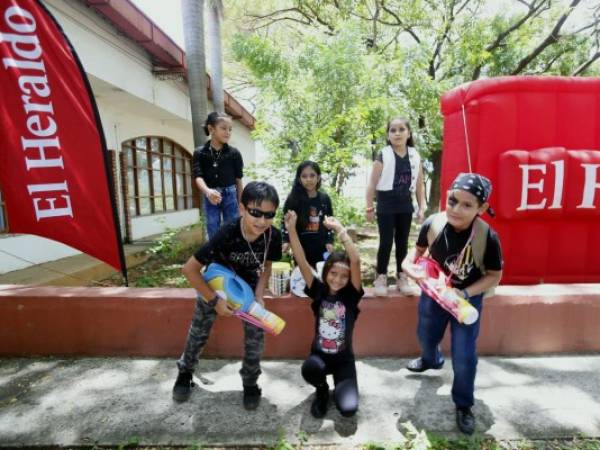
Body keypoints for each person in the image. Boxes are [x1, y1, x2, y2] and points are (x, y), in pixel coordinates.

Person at [401, 172, 503, 435]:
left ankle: (463, 404)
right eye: (453, 201)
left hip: (466, 300)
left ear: (481, 208)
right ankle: (430, 358)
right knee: (425, 334)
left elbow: (494, 275)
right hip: (435, 292)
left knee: (464, 356)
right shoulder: (433, 224)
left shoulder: (487, 237)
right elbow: (413, 257)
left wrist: (465, 294)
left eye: (467, 205)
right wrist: (410, 270)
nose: (456, 209)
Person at [172, 181, 282, 410]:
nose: (262, 221)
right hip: (217, 286)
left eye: (269, 215)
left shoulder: (274, 236)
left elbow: (267, 266)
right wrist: (214, 301)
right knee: (199, 331)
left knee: (256, 336)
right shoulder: (227, 232)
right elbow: (189, 270)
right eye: (255, 213)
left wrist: (260, 295)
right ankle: (185, 373)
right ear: (242, 209)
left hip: (247, 292)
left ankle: (251, 383)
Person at [284, 210, 363, 418]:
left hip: (344, 361)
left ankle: (340, 387)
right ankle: (321, 391)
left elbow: (355, 262)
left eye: (343, 276)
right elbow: (301, 260)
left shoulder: (351, 296)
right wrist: (291, 230)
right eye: (333, 273)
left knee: (348, 409)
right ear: (326, 272)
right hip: (320, 357)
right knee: (309, 369)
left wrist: (339, 230)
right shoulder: (318, 290)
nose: (337, 279)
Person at [365, 117, 427, 296]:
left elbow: (420, 185)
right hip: (386, 204)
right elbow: (371, 184)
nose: (397, 133)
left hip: (405, 204)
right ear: (388, 135)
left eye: (401, 129)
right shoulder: (383, 155)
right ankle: (381, 276)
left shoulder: (415, 155)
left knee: (402, 242)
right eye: (393, 130)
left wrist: (421, 207)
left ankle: (402, 276)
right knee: (386, 242)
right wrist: (369, 207)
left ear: (409, 133)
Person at [193, 112, 244, 239]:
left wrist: (241, 203)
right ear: (211, 129)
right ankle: (214, 257)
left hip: (231, 195)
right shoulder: (200, 153)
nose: (228, 132)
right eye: (223, 128)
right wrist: (207, 191)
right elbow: (198, 177)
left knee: (233, 229)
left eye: (230, 129)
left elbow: (239, 179)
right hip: (211, 196)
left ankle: (231, 257)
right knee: (212, 229)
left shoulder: (234, 153)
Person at [282, 161, 334, 268]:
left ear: (318, 177)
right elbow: (285, 222)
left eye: (312, 175)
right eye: (304, 176)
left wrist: (330, 241)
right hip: (300, 246)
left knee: (320, 276)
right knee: (302, 276)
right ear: (299, 179)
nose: (308, 179)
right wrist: (286, 240)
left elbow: (330, 222)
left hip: (321, 246)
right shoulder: (293, 199)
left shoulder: (324, 199)